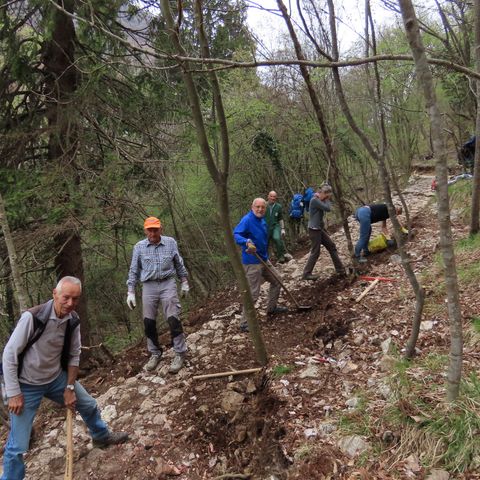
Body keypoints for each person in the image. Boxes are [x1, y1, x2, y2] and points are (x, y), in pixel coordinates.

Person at [1, 276, 128, 480]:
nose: (70, 303)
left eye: (75, 299)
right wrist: (14, 392)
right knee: (17, 446)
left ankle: (101, 436)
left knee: (88, 404)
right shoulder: (33, 318)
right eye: (66, 297)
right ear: (55, 294)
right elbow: (9, 355)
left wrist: (69, 387)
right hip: (25, 385)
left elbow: (74, 355)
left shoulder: (73, 320)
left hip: (55, 379)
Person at [126, 217, 189, 374]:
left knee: (173, 318)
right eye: (150, 230)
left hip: (168, 282)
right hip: (149, 285)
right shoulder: (139, 247)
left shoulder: (170, 242)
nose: (153, 233)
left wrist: (184, 282)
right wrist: (131, 291)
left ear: (161, 229)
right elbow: (134, 270)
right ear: (145, 230)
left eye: (155, 229)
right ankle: (155, 352)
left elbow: (178, 263)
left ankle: (180, 352)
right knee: (148, 322)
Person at [233, 198, 288, 331]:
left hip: (264, 259)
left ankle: (272, 308)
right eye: (257, 207)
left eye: (262, 207)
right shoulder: (247, 220)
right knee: (253, 294)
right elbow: (236, 234)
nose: (260, 209)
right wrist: (246, 242)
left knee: (277, 280)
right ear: (252, 207)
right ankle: (244, 323)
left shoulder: (262, 220)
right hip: (252, 262)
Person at [302, 185, 345, 280]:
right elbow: (328, 208)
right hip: (314, 230)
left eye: (327, 197)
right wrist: (327, 199)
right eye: (325, 196)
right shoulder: (315, 200)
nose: (326, 198)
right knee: (315, 252)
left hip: (319, 229)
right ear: (321, 193)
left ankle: (340, 269)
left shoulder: (319, 199)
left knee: (331, 246)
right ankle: (306, 274)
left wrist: (325, 197)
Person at [265, 191, 287, 263]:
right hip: (265, 227)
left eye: (274, 196)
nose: (273, 198)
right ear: (268, 196)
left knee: (277, 238)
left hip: (275, 226)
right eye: (271, 196)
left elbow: (280, 218)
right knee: (265, 243)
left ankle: (281, 257)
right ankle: (265, 260)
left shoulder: (278, 206)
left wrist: (283, 229)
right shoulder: (264, 205)